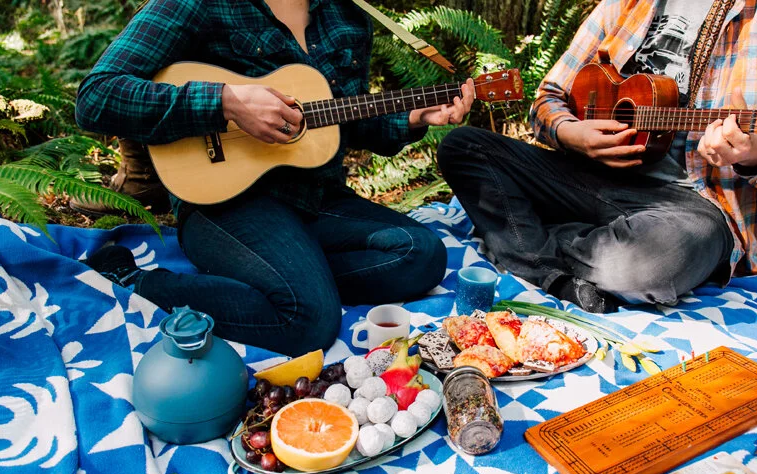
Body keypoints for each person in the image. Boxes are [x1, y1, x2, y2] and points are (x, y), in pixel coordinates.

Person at [75, 0, 474, 354]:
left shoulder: (347, 14)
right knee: (308, 322)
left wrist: (413, 117)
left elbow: (341, 121)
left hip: (318, 199)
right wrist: (226, 102)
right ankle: (137, 282)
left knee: (422, 255)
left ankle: (287, 280)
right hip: (224, 203)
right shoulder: (197, 4)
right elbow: (97, 97)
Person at [438, 0, 757, 313]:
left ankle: (523, 240)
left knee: (649, 265)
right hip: (585, 176)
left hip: (693, 204)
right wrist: (571, 133)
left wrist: (752, 152)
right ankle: (551, 247)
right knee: (463, 146)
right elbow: (547, 99)